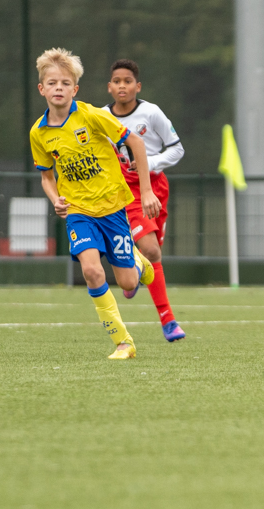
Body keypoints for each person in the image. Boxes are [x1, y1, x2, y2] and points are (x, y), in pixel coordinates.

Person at [29, 48, 157, 360]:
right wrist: (56, 199)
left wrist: (146, 191)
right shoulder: (39, 133)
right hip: (78, 212)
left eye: (65, 83)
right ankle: (123, 342)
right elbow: (46, 176)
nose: (59, 88)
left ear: (75, 89)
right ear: (42, 88)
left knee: (127, 281)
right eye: (52, 83)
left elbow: (136, 142)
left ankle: (138, 263)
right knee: (92, 272)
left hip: (112, 207)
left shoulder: (92, 116)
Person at [105, 59, 186, 342]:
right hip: (125, 192)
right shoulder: (101, 117)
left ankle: (134, 270)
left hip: (155, 187)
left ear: (137, 86)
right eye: (117, 81)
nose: (122, 86)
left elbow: (177, 149)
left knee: (154, 253)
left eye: (127, 81)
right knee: (151, 251)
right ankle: (168, 320)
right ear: (109, 87)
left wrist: (147, 163)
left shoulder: (151, 113)